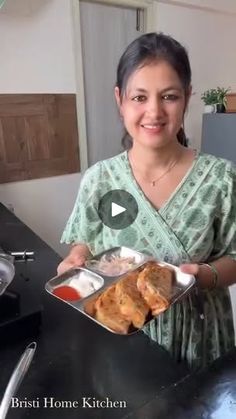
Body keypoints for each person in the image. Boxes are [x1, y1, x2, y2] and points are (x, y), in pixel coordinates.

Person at [58, 32, 236, 370]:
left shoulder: (221, 179)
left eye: (168, 96)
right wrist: (76, 258)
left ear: (186, 98)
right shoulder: (100, 179)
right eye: (139, 97)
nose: (154, 111)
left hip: (200, 338)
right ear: (120, 99)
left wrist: (201, 277)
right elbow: (85, 242)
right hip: (119, 337)